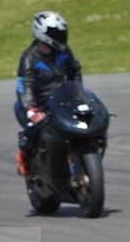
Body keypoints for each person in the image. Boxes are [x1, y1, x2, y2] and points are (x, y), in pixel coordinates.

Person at [15, 11, 82, 178]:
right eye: (56, 34)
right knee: (34, 131)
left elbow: (75, 72)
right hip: (39, 104)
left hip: (62, 101)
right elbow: (25, 86)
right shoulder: (29, 57)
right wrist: (31, 109)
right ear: (42, 34)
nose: (61, 37)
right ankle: (25, 156)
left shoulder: (65, 52)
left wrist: (79, 95)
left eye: (62, 33)